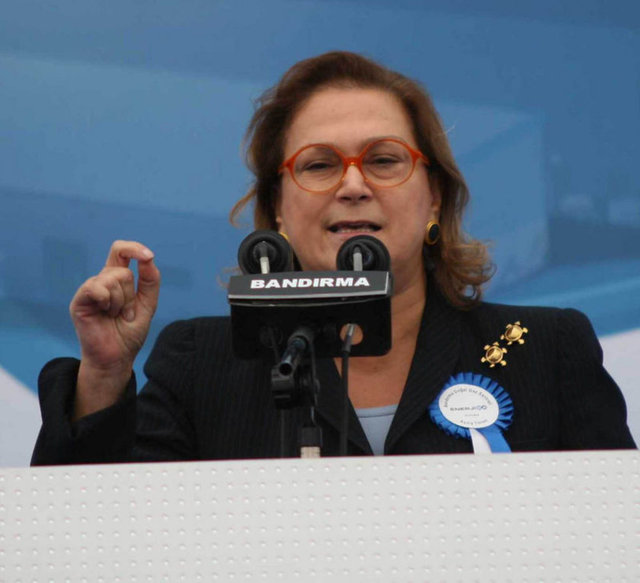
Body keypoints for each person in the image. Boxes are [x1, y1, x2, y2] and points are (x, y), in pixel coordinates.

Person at [32, 51, 635, 465]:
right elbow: (99, 537)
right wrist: (103, 378)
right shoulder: (199, 362)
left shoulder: (547, 350)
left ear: (434, 196)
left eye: (383, 160)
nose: (352, 185)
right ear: (277, 207)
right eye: (319, 165)